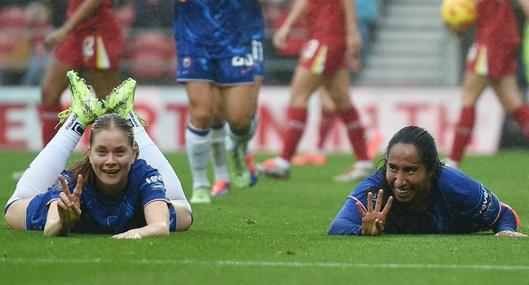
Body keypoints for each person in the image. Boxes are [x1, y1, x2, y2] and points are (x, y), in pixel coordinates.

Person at [4, 71, 192, 238]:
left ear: (134, 153)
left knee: (184, 215)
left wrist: (136, 233)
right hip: (65, 210)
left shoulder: (143, 174)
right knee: (13, 210)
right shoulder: (74, 183)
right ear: (90, 153)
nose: (110, 161)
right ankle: (79, 117)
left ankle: (127, 116)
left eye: (119, 152)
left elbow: (160, 226)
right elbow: (51, 228)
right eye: (101, 152)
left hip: (135, 214)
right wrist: (65, 222)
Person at [328, 126, 526, 237]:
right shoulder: (375, 188)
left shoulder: (457, 186)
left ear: (431, 170)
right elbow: (337, 226)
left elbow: (503, 214)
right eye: (393, 168)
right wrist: (362, 230)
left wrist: (505, 231)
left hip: (468, 223)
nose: (399, 181)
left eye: (410, 171)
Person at [259, 0, 373, 181]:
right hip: (325, 37)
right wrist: (288, 25)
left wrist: (352, 32)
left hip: (326, 38)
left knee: (299, 95)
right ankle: (364, 162)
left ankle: (283, 161)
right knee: (342, 99)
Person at [173, 0, 264, 203]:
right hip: (194, 35)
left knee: (239, 120)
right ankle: (201, 184)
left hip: (236, 36)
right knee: (203, 112)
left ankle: (236, 148)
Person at [446, 0, 529, 169]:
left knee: (469, 96)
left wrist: (458, 19)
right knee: (513, 103)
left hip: (491, 40)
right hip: (505, 39)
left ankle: (453, 162)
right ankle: (453, 161)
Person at [39, 0, 124, 147]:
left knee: (109, 104)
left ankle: (121, 160)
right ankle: (51, 163)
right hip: (76, 31)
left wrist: (65, 29)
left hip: (99, 30)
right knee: (49, 93)